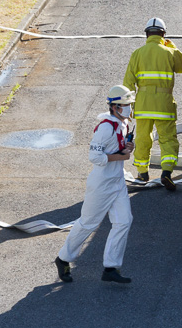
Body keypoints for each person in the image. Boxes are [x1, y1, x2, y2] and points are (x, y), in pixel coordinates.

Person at [54, 85, 136, 284]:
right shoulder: (106, 127)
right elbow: (95, 157)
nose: (129, 108)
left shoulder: (122, 124)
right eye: (125, 105)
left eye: (129, 104)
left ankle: (110, 267)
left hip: (117, 181)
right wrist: (121, 156)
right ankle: (63, 258)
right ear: (114, 106)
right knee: (88, 223)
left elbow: (118, 149)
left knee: (124, 221)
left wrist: (128, 147)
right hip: (101, 184)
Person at [122, 17, 182, 192]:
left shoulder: (137, 54)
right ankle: (166, 173)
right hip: (164, 105)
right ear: (163, 34)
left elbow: (128, 83)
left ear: (146, 35)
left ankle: (142, 173)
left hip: (143, 106)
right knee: (167, 140)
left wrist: (127, 108)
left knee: (143, 139)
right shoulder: (169, 52)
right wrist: (171, 46)